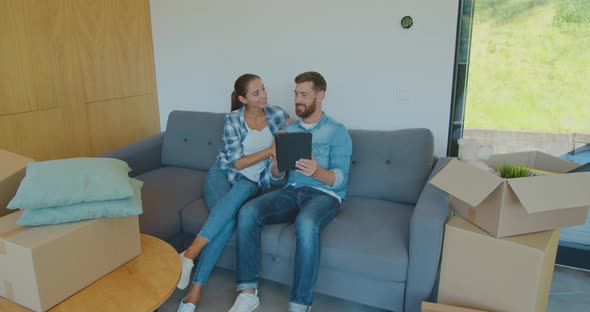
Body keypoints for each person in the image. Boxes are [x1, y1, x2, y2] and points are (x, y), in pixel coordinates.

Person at [228, 71, 353, 312]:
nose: (298, 100)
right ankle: (247, 292)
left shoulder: (337, 131)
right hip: (291, 190)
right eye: (296, 94)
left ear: (321, 95)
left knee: (306, 223)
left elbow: (339, 179)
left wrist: (317, 171)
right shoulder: (288, 129)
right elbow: (277, 178)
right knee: (248, 211)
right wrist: (275, 164)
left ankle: (299, 303)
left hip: (324, 194)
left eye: (304, 94)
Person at [177, 74, 290, 312]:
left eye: (263, 89)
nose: (263, 96)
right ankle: (193, 286)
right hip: (223, 174)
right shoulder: (232, 120)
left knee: (227, 220)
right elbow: (237, 163)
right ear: (242, 99)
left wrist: (291, 134)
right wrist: (271, 149)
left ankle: (189, 260)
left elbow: (290, 142)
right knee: (226, 221)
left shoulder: (278, 114)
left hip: (251, 181)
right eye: (256, 93)